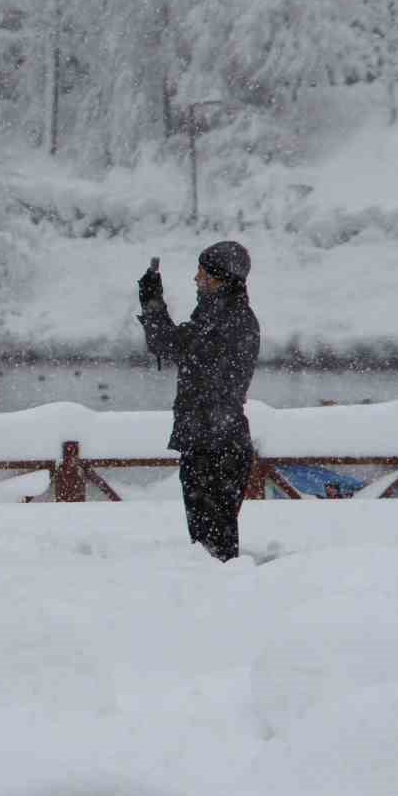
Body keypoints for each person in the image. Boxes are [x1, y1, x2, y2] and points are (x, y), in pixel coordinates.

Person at [138, 241, 261, 562]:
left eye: (202, 274)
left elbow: (169, 343)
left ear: (220, 279)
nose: (196, 279)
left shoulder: (224, 321)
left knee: (213, 551)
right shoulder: (224, 316)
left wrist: (152, 301)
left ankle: (222, 603)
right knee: (210, 546)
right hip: (215, 440)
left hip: (214, 445)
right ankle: (220, 600)